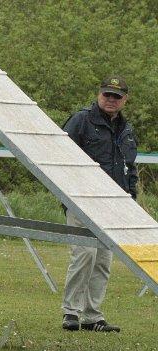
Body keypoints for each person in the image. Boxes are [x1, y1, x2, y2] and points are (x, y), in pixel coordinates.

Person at [61, 76, 139, 333]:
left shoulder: (127, 129)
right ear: (98, 95)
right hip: (82, 199)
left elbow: (131, 168)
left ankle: (92, 315)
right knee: (84, 254)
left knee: (103, 260)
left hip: (113, 204)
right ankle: (71, 312)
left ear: (125, 100)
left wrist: (131, 199)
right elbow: (58, 155)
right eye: (107, 94)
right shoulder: (81, 121)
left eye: (116, 96)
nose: (111, 100)